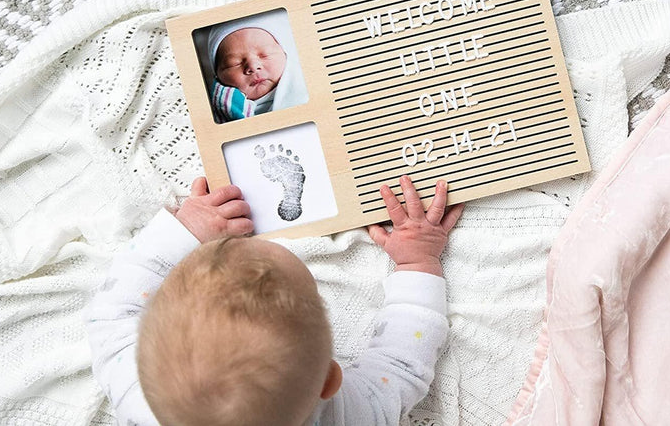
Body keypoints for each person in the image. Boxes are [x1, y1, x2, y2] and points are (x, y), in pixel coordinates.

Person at [85, 175, 463, 426]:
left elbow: (113, 312)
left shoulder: (135, 388)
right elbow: (400, 365)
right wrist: (417, 260)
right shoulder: (351, 416)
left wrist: (185, 230)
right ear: (330, 379)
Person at [207, 14, 309, 123]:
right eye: (234, 63)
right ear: (218, 75)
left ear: (285, 54)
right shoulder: (218, 110)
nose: (253, 66)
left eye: (265, 54)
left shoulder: (306, 88)